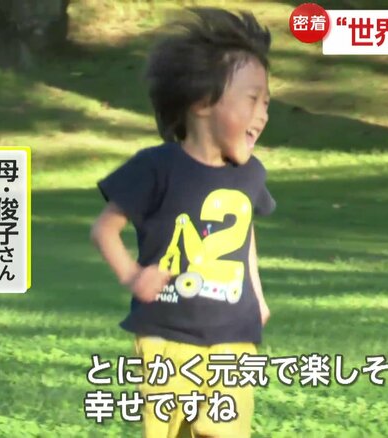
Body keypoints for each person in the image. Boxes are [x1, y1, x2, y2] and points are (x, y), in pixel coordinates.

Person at [90, 8, 275, 437]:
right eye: (252, 99)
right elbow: (104, 229)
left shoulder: (251, 174)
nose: (263, 115)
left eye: (267, 103)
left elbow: (244, 233)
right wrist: (133, 276)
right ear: (202, 103)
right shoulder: (156, 167)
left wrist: (258, 297)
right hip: (166, 337)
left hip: (233, 335)